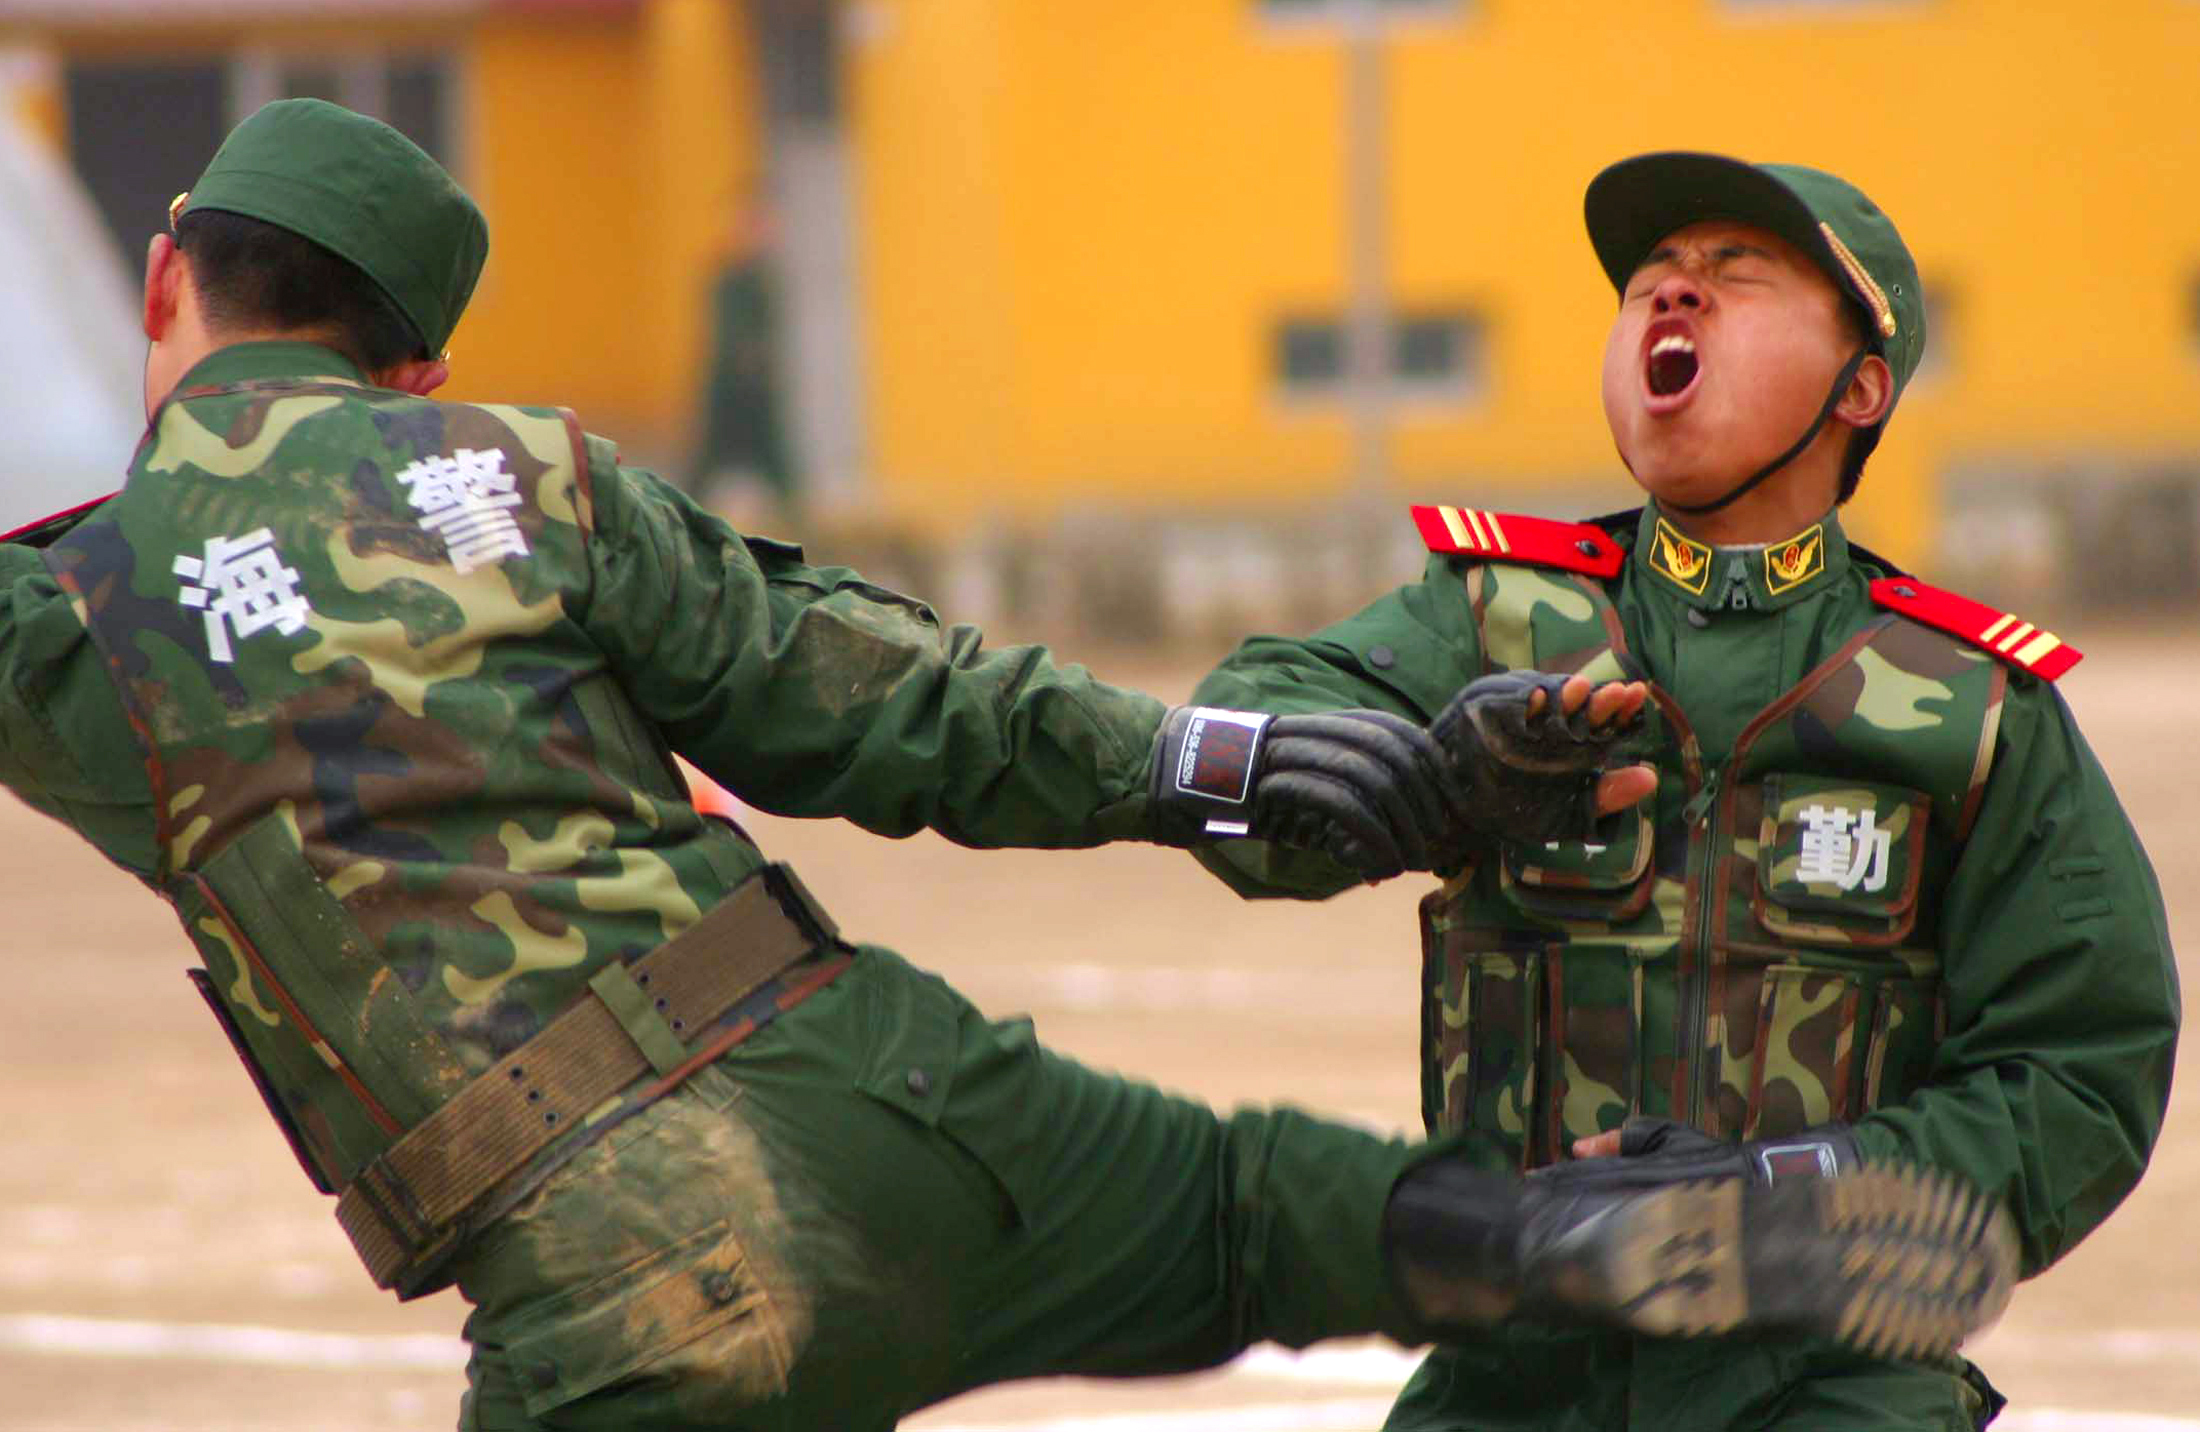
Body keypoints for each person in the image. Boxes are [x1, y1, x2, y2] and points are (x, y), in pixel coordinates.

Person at [0, 108, 2016, 1432]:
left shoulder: (69, 617)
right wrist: (1212, 757)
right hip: (885, 1086)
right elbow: (888, 700)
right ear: (418, 368)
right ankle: (1548, 1233)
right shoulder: (521, 474)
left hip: (621, 1271)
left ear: (165, 277)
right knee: (1239, 1206)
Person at [1187, 151, 2181, 1430]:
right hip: (1514, 1378)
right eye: (1650, 277)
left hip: (1830, 1381)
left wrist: (1781, 1199)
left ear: (1859, 385)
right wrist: (1428, 776)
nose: (1672, 293)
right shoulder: (1493, 621)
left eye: (1733, 272)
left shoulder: (1971, 703)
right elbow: (1234, 743)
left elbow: (2082, 1064)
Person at [685, 191, 798, 519]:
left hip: (756, 388)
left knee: (778, 465)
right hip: (731, 388)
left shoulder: (764, 279)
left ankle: (795, 518)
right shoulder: (729, 279)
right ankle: (682, 516)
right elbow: (728, 334)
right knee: (707, 462)